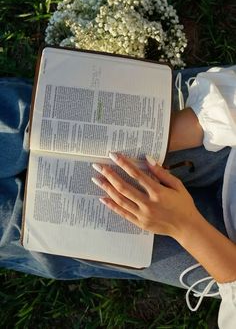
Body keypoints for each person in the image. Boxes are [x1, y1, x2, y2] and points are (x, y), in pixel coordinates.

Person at [0, 67, 236, 328]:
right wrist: (184, 127)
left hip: (224, 256)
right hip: (229, 149)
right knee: (48, 125)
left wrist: (184, 226)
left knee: (40, 221)